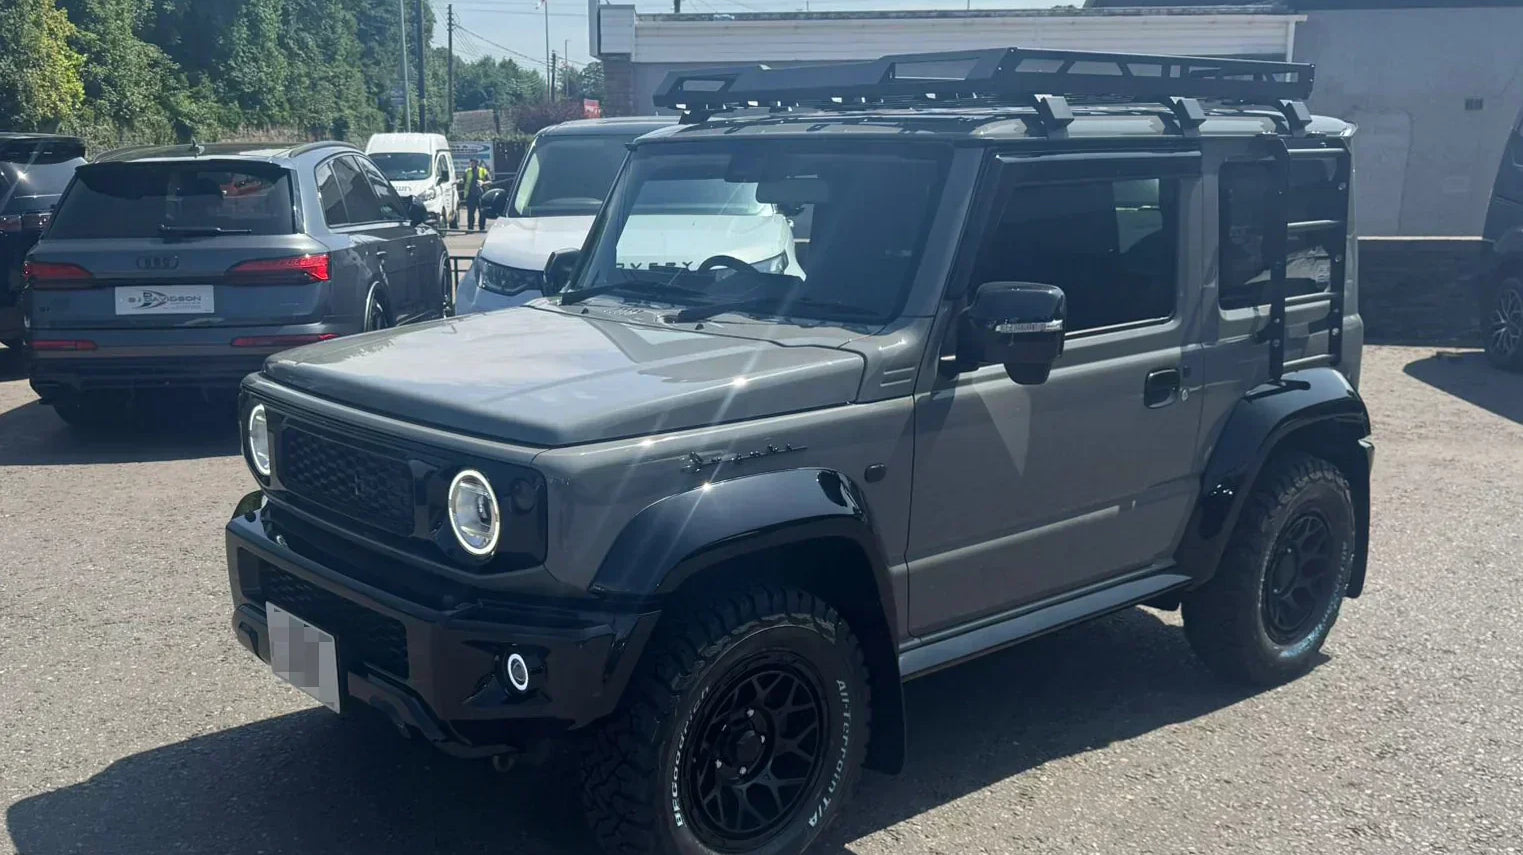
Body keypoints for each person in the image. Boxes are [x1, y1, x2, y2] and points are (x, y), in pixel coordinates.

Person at [464, 159, 491, 231]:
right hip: (471, 195)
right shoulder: (467, 171)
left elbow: (490, 181)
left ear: (476, 163)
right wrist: (458, 181)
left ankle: (482, 228)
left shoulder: (483, 171)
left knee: (482, 212)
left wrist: (483, 183)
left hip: (481, 195)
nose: (471, 164)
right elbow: (463, 180)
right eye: (471, 163)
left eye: (472, 163)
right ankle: (470, 228)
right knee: (470, 213)